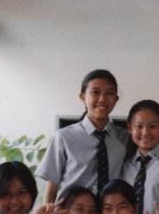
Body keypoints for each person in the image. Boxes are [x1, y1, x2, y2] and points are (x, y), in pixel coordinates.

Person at [38, 69, 130, 204]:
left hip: (108, 213)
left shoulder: (124, 138)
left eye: (109, 93)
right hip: (71, 213)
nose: (102, 99)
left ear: (116, 99)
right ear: (82, 97)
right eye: (95, 92)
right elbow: (51, 188)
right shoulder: (63, 138)